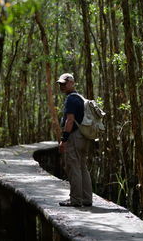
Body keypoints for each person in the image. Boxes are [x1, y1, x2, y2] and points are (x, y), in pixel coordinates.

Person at [56, 73, 93, 207]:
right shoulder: (80, 98)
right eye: (60, 84)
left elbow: (70, 120)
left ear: (72, 83)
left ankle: (75, 200)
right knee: (82, 167)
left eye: (64, 83)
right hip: (84, 137)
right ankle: (87, 199)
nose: (62, 86)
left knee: (74, 167)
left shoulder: (71, 99)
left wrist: (63, 140)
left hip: (75, 137)